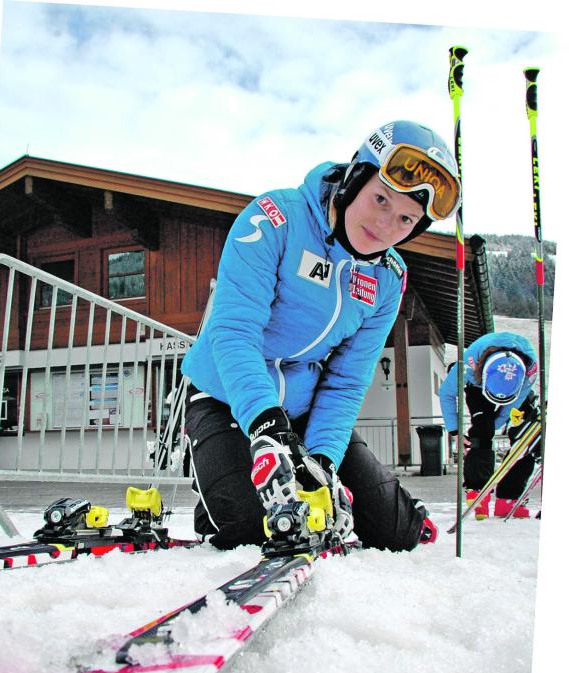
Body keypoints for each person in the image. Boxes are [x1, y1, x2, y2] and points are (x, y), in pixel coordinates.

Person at [181, 120, 462, 551]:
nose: (387, 226)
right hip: (226, 399)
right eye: (381, 199)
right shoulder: (275, 218)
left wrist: (322, 461)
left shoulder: (388, 278)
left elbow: (347, 380)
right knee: (257, 528)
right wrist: (267, 426)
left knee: (393, 532)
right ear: (355, 179)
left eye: (407, 218)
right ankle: (216, 485)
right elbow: (234, 332)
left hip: (304, 410)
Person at [439, 332, 540, 518]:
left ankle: (508, 499)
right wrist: (455, 431)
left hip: (515, 391)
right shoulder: (466, 366)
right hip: (477, 384)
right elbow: (446, 393)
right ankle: (477, 490)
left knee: (526, 436)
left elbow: (511, 406)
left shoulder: (529, 371)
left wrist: (496, 423)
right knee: (482, 428)